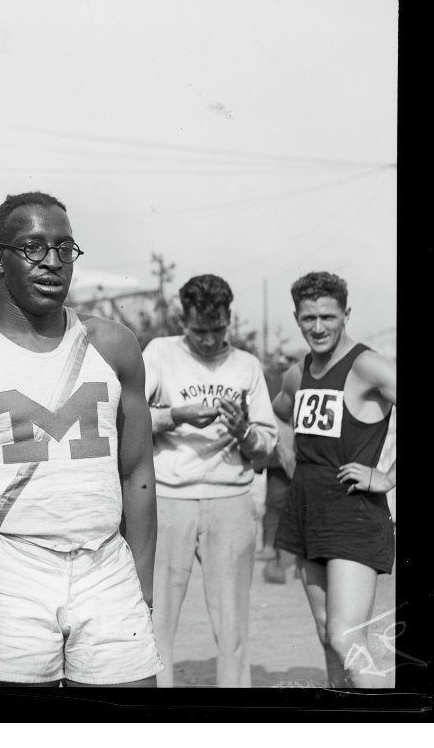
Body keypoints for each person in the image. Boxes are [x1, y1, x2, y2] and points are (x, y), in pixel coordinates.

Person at [0, 191, 161, 687]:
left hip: (105, 562)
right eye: (33, 247)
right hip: (11, 568)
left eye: (65, 248)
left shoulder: (114, 345)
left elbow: (138, 475)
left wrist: (142, 593)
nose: (52, 262)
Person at [143, 274, 277, 687]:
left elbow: (266, 447)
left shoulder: (247, 365)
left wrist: (244, 433)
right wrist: (176, 416)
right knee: (156, 619)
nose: (207, 340)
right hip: (169, 499)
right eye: (199, 330)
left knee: (232, 622)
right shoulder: (159, 353)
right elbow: (127, 420)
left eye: (217, 330)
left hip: (230, 499)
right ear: (183, 319)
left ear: (229, 319)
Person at [271, 272, 396, 689]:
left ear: (346, 314)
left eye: (328, 316)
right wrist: (285, 451)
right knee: (328, 634)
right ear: (297, 317)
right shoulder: (297, 372)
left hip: (353, 512)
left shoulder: (367, 365)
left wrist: (389, 477)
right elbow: (281, 408)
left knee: (347, 637)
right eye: (309, 318)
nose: (319, 327)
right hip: (307, 510)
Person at [256, 355, 297, 585]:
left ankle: (303, 560)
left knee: (304, 508)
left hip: (303, 454)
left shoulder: (299, 385)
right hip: (277, 456)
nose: (281, 369)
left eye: (284, 366)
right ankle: (270, 548)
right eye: (278, 365)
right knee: (274, 503)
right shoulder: (267, 386)